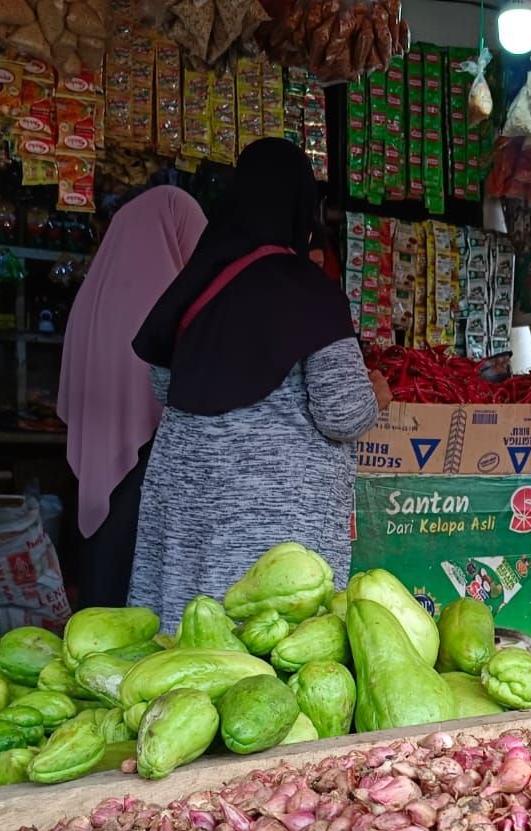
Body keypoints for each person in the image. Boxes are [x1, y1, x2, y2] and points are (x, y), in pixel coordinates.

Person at [129, 138, 388, 626]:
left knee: (192, 633)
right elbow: (342, 413)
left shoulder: (198, 280)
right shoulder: (307, 289)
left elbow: (165, 385)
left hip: (191, 486)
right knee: (270, 638)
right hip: (276, 508)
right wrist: (376, 394)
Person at [58, 185, 206, 607]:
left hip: (97, 461)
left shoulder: (94, 293)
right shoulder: (163, 303)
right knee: (130, 594)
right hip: (143, 457)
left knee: (100, 575)